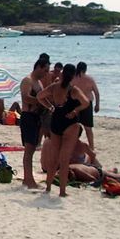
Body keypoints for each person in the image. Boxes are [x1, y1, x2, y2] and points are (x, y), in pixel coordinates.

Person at [37, 64, 91, 197]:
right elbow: (86, 102)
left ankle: (48, 187)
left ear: (62, 74)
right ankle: (62, 191)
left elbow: (39, 96)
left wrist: (50, 107)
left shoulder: (54, 87)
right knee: (64, 159)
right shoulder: (73, 90)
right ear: (73, 75)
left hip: (56, 120)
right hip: (70, 122)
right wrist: (75, 110)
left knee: (54, 158)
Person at [19, 57, 49, 189]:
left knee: (32, 149)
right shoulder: (28, 80)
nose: (46, 73)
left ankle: (28, 178)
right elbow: (26, 97)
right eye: (45, 70)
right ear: (39, 67)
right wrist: (40, 101)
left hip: (37, 117)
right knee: (29, 149)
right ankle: (28, 179)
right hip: (28, 117)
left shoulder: (39, 82)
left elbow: (41, 97)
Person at [72, 61, 101, 149]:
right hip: (87, 103)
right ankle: (91, 147)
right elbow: (96, 93)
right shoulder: (90, 79)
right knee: (88, 128)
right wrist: (97, 105)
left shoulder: (73, 78)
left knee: (73, 126)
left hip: (75, 103)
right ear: (85, 69)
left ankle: (72, 144)